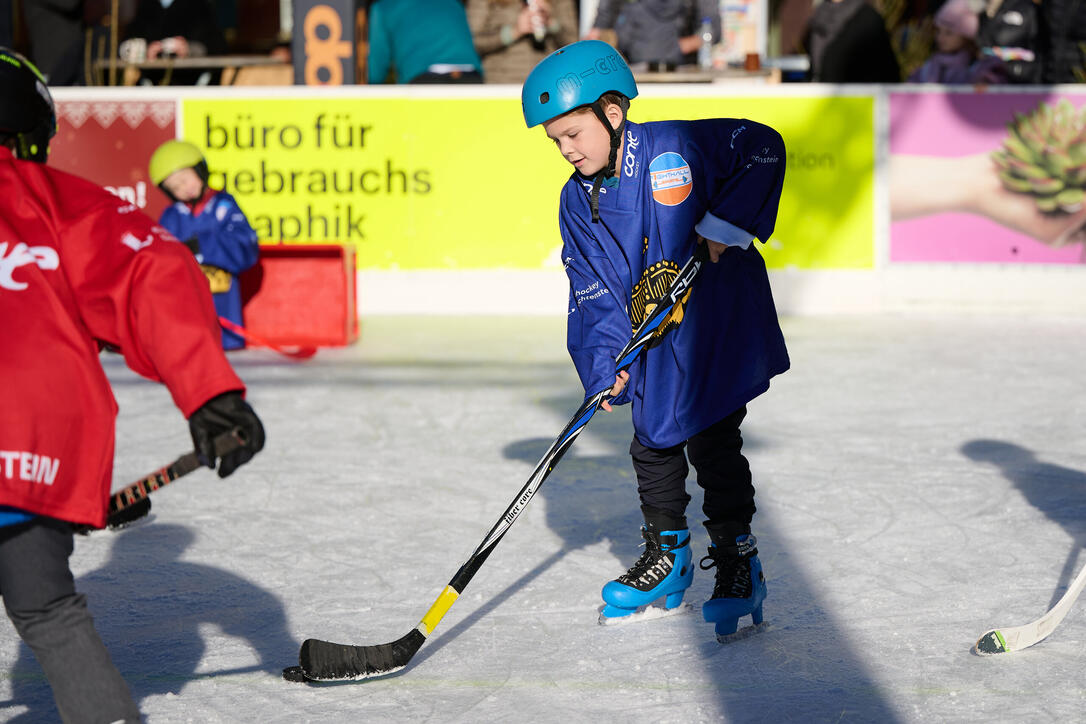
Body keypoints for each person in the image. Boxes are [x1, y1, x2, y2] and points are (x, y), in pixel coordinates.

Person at [0, 48, 265, 722]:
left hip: (33, 443)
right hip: (33, 441)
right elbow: (154, 276)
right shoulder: (58, 200)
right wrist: (210, 394)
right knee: (49, 610)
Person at [521, 40, 789, 637]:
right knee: (651, 440)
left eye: (573, 133)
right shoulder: (574, 199)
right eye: (555, 140)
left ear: (612, 115)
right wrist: (603, 363)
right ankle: (668, 558)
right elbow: (589, 287)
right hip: (655, 334)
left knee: (713, 438)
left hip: (714, 322)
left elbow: (764, 147)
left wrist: (729, 221)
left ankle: (738, 560)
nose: (566, 149)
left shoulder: (676, 147)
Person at [149, 139, 260, 350]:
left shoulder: (224, 207)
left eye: (186, 179)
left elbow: (246, 248)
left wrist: (202, 245)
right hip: (184, 319)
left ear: (200, 171)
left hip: (224, 319)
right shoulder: (172, 216)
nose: (184, 189)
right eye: (175, 187)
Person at [367, 0, 484, 84]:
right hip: (471, 76)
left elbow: (375, 70)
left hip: (424, 77)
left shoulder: (384, 6)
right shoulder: (452, 3)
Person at [584, 0, 721, 69]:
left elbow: (711, 31)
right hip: (630, 68)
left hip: (680, 71)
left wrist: (671, 49)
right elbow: (598, 27)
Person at [467, 0, 579, 84]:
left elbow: (574, 44)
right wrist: (515, 31)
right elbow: (472, 42)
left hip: (546, 80)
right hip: (502, 82)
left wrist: (551, 23)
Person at [119, 0, 227, 85]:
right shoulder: (146, 7)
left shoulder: (200, 6)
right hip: (151, 84)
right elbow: (125, 47)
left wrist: (190, 49)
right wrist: (145, 50)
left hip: (191, 85)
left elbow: (218, 46)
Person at [803, 0, 901, 82]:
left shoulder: (868, 19)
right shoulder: (816, 19)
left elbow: (888, 72)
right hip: (823, 99)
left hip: (860, 99)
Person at [908, 0, 1002, 83]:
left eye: (948, 33)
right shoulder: (930, 66)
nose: (940, 38)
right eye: (938, 31)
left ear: (965, 36)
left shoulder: (979, 67)